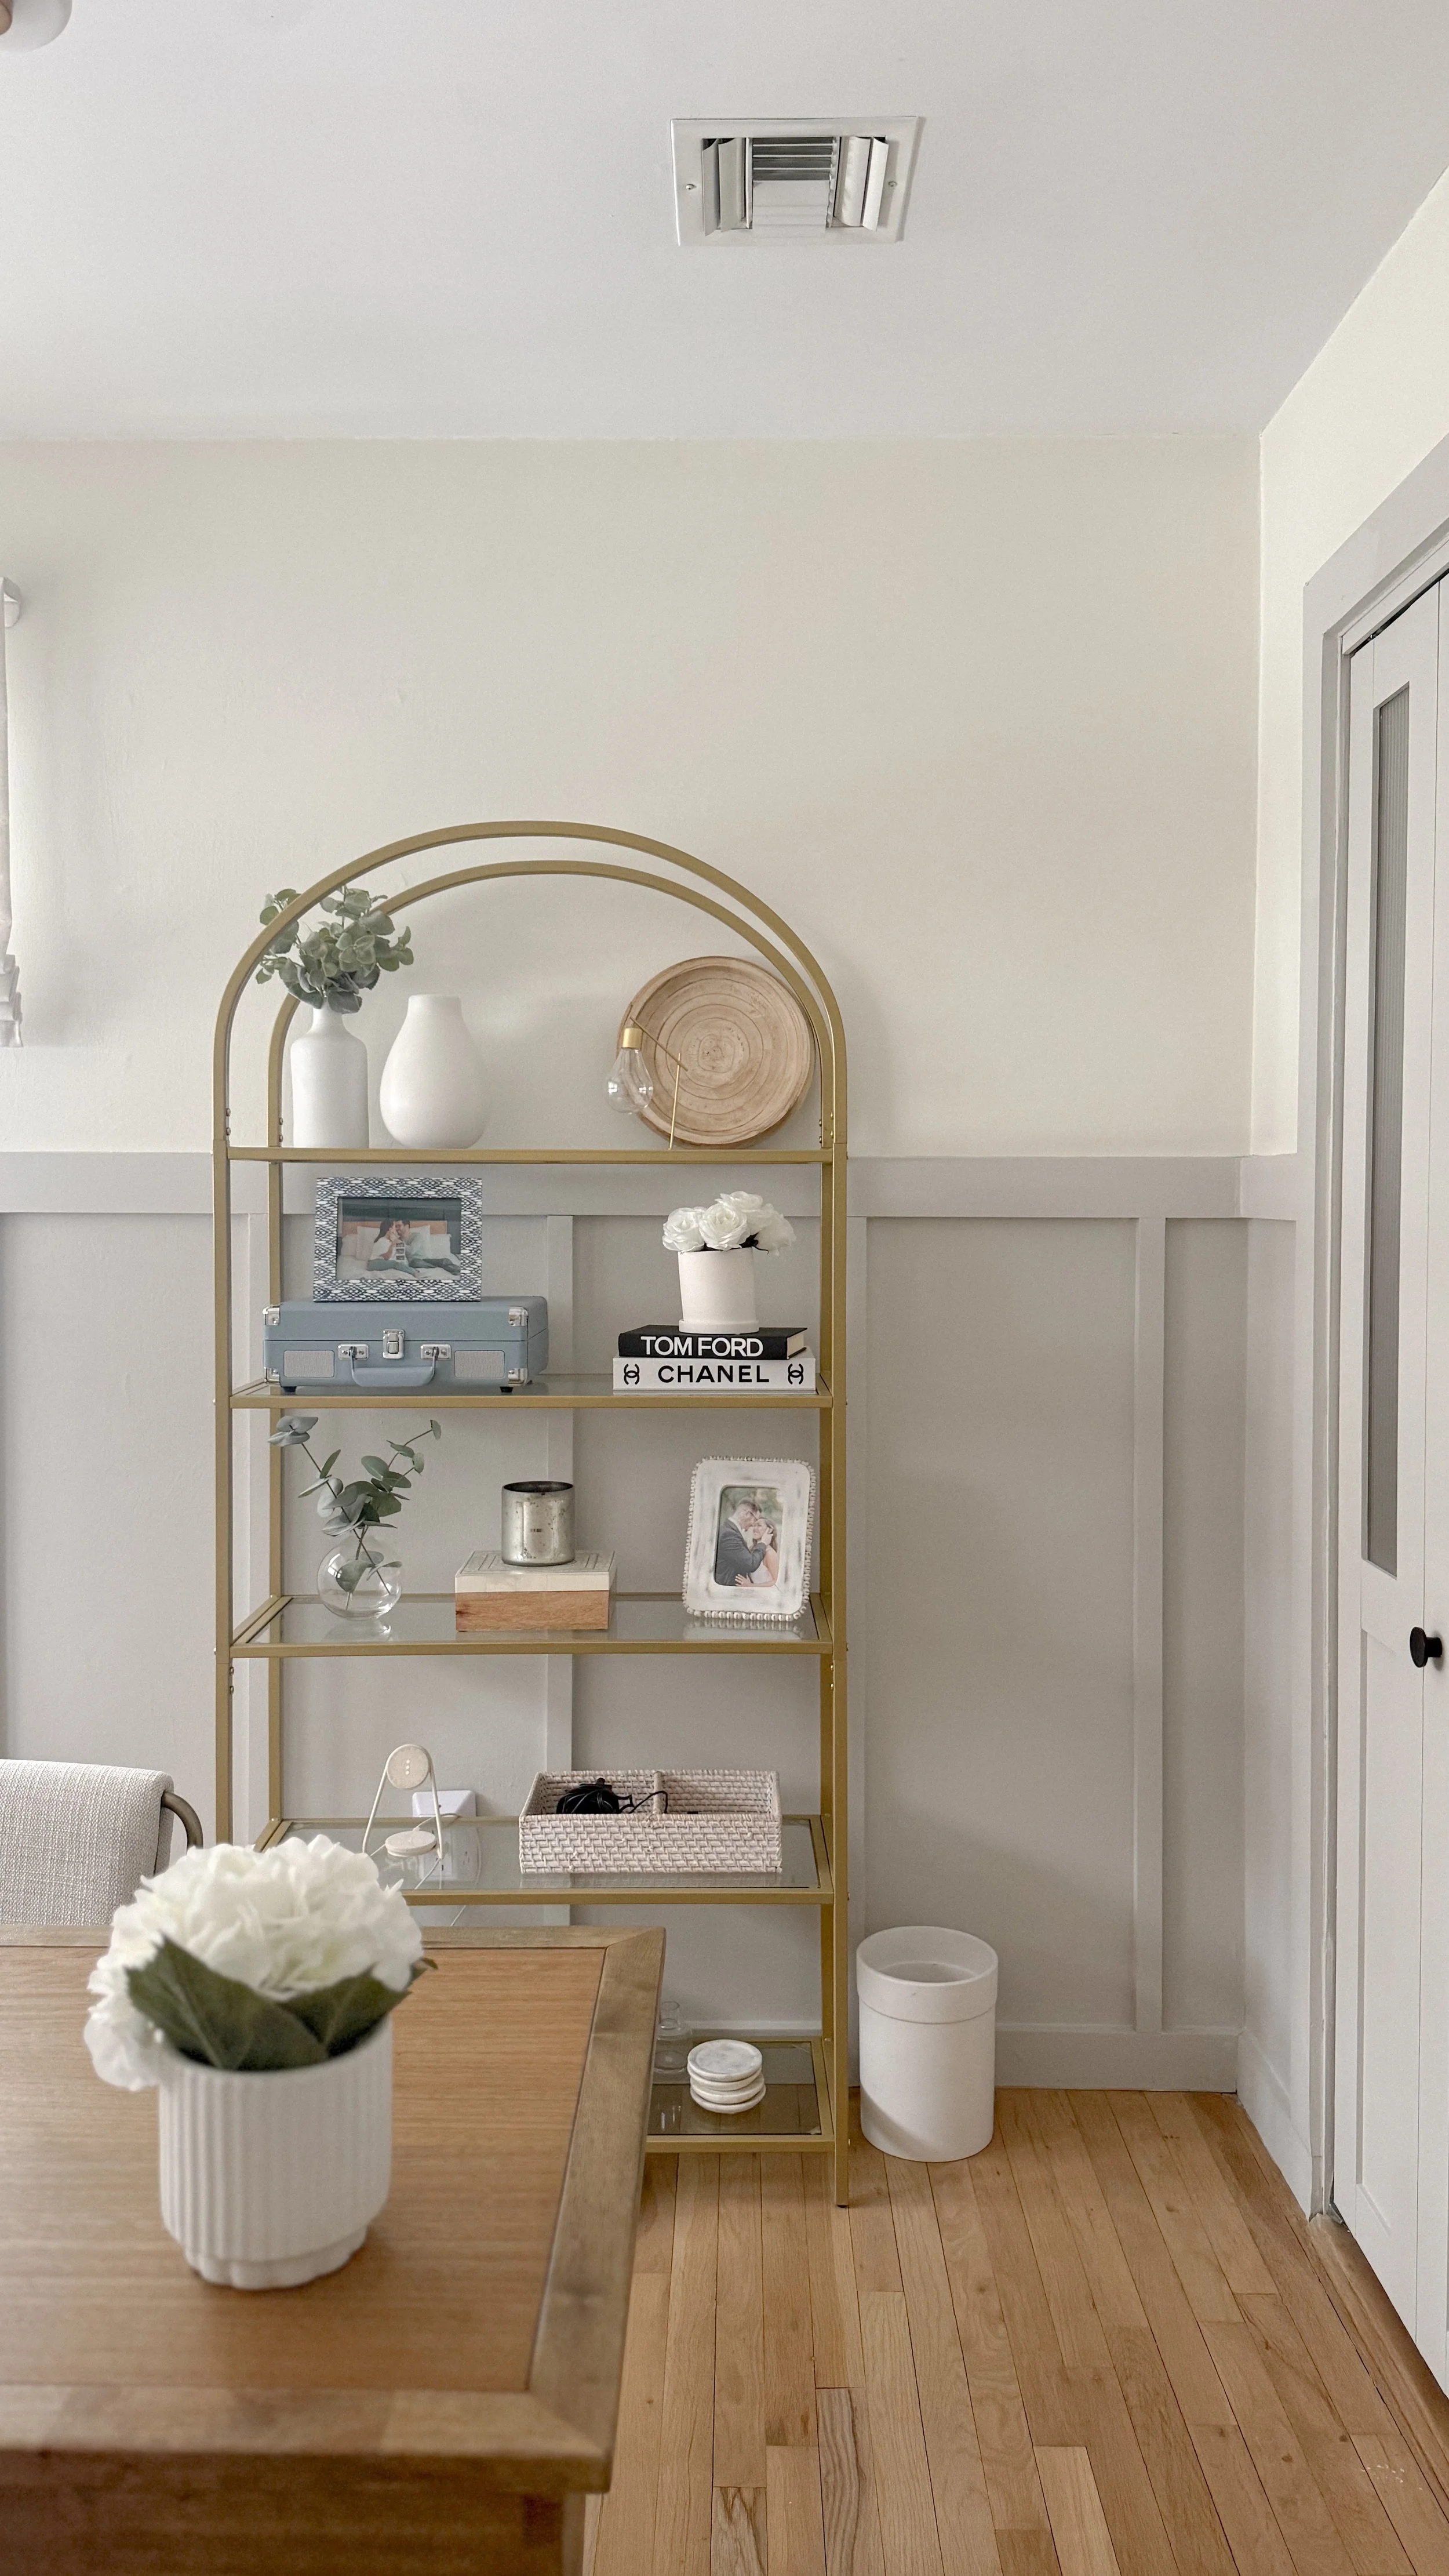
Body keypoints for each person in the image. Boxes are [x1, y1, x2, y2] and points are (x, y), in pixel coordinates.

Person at [714, 1496, 780, 1590]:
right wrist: (763, 1544)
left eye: (759, 1525)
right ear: (746, 1514)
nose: (753, 1526)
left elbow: (775, 1581)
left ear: (770, 1530)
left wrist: (751, 1586)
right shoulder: (730, 1534)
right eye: (755, 1521)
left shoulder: (769, 1553)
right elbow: (750, 1564)